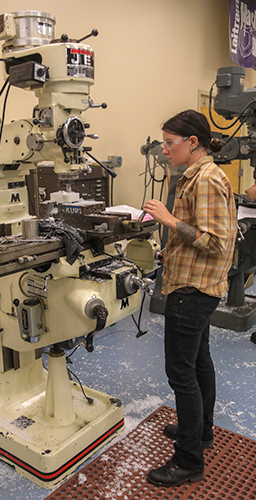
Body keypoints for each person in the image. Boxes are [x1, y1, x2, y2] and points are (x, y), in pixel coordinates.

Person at [143, 110, 237, 487]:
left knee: (180, 373)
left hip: (193, 290)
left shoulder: (208, 180)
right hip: (192, 284)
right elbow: (198, 231)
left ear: (192, 143)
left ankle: (188, 461)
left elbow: (216, 242)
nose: (164, 150)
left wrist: (168, 221)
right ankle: (201, 432)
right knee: (199, 362)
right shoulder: (194, 176)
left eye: (170, 143)